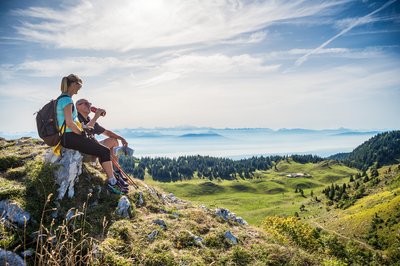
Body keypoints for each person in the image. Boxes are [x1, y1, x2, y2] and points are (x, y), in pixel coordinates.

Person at [56, 74, 125, 195]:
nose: (79, 89)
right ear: (73, 84)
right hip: (70, 136)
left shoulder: (61, 99)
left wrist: (84, 128)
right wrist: (81, 133)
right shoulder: (67, 100)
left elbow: (70, 123)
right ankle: (112, 182)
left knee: (103, 149)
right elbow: (69, 123)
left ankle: (114, 176)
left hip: (67, 137)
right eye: (79, 86)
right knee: (103, 151)